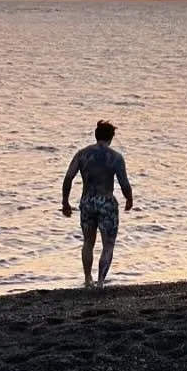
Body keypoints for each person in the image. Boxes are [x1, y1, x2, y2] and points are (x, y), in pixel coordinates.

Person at [62, 120, 134, 288]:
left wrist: (65, 201)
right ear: (111, 137)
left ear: (96, 136)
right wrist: (129, 199)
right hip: (106, 202)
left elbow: (68, 178)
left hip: (87, 201)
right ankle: (101, 281)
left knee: (88, 241)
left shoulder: (82, 154)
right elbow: (124, 182)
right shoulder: (115, 157)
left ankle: (88, 279)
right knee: (108, 244)